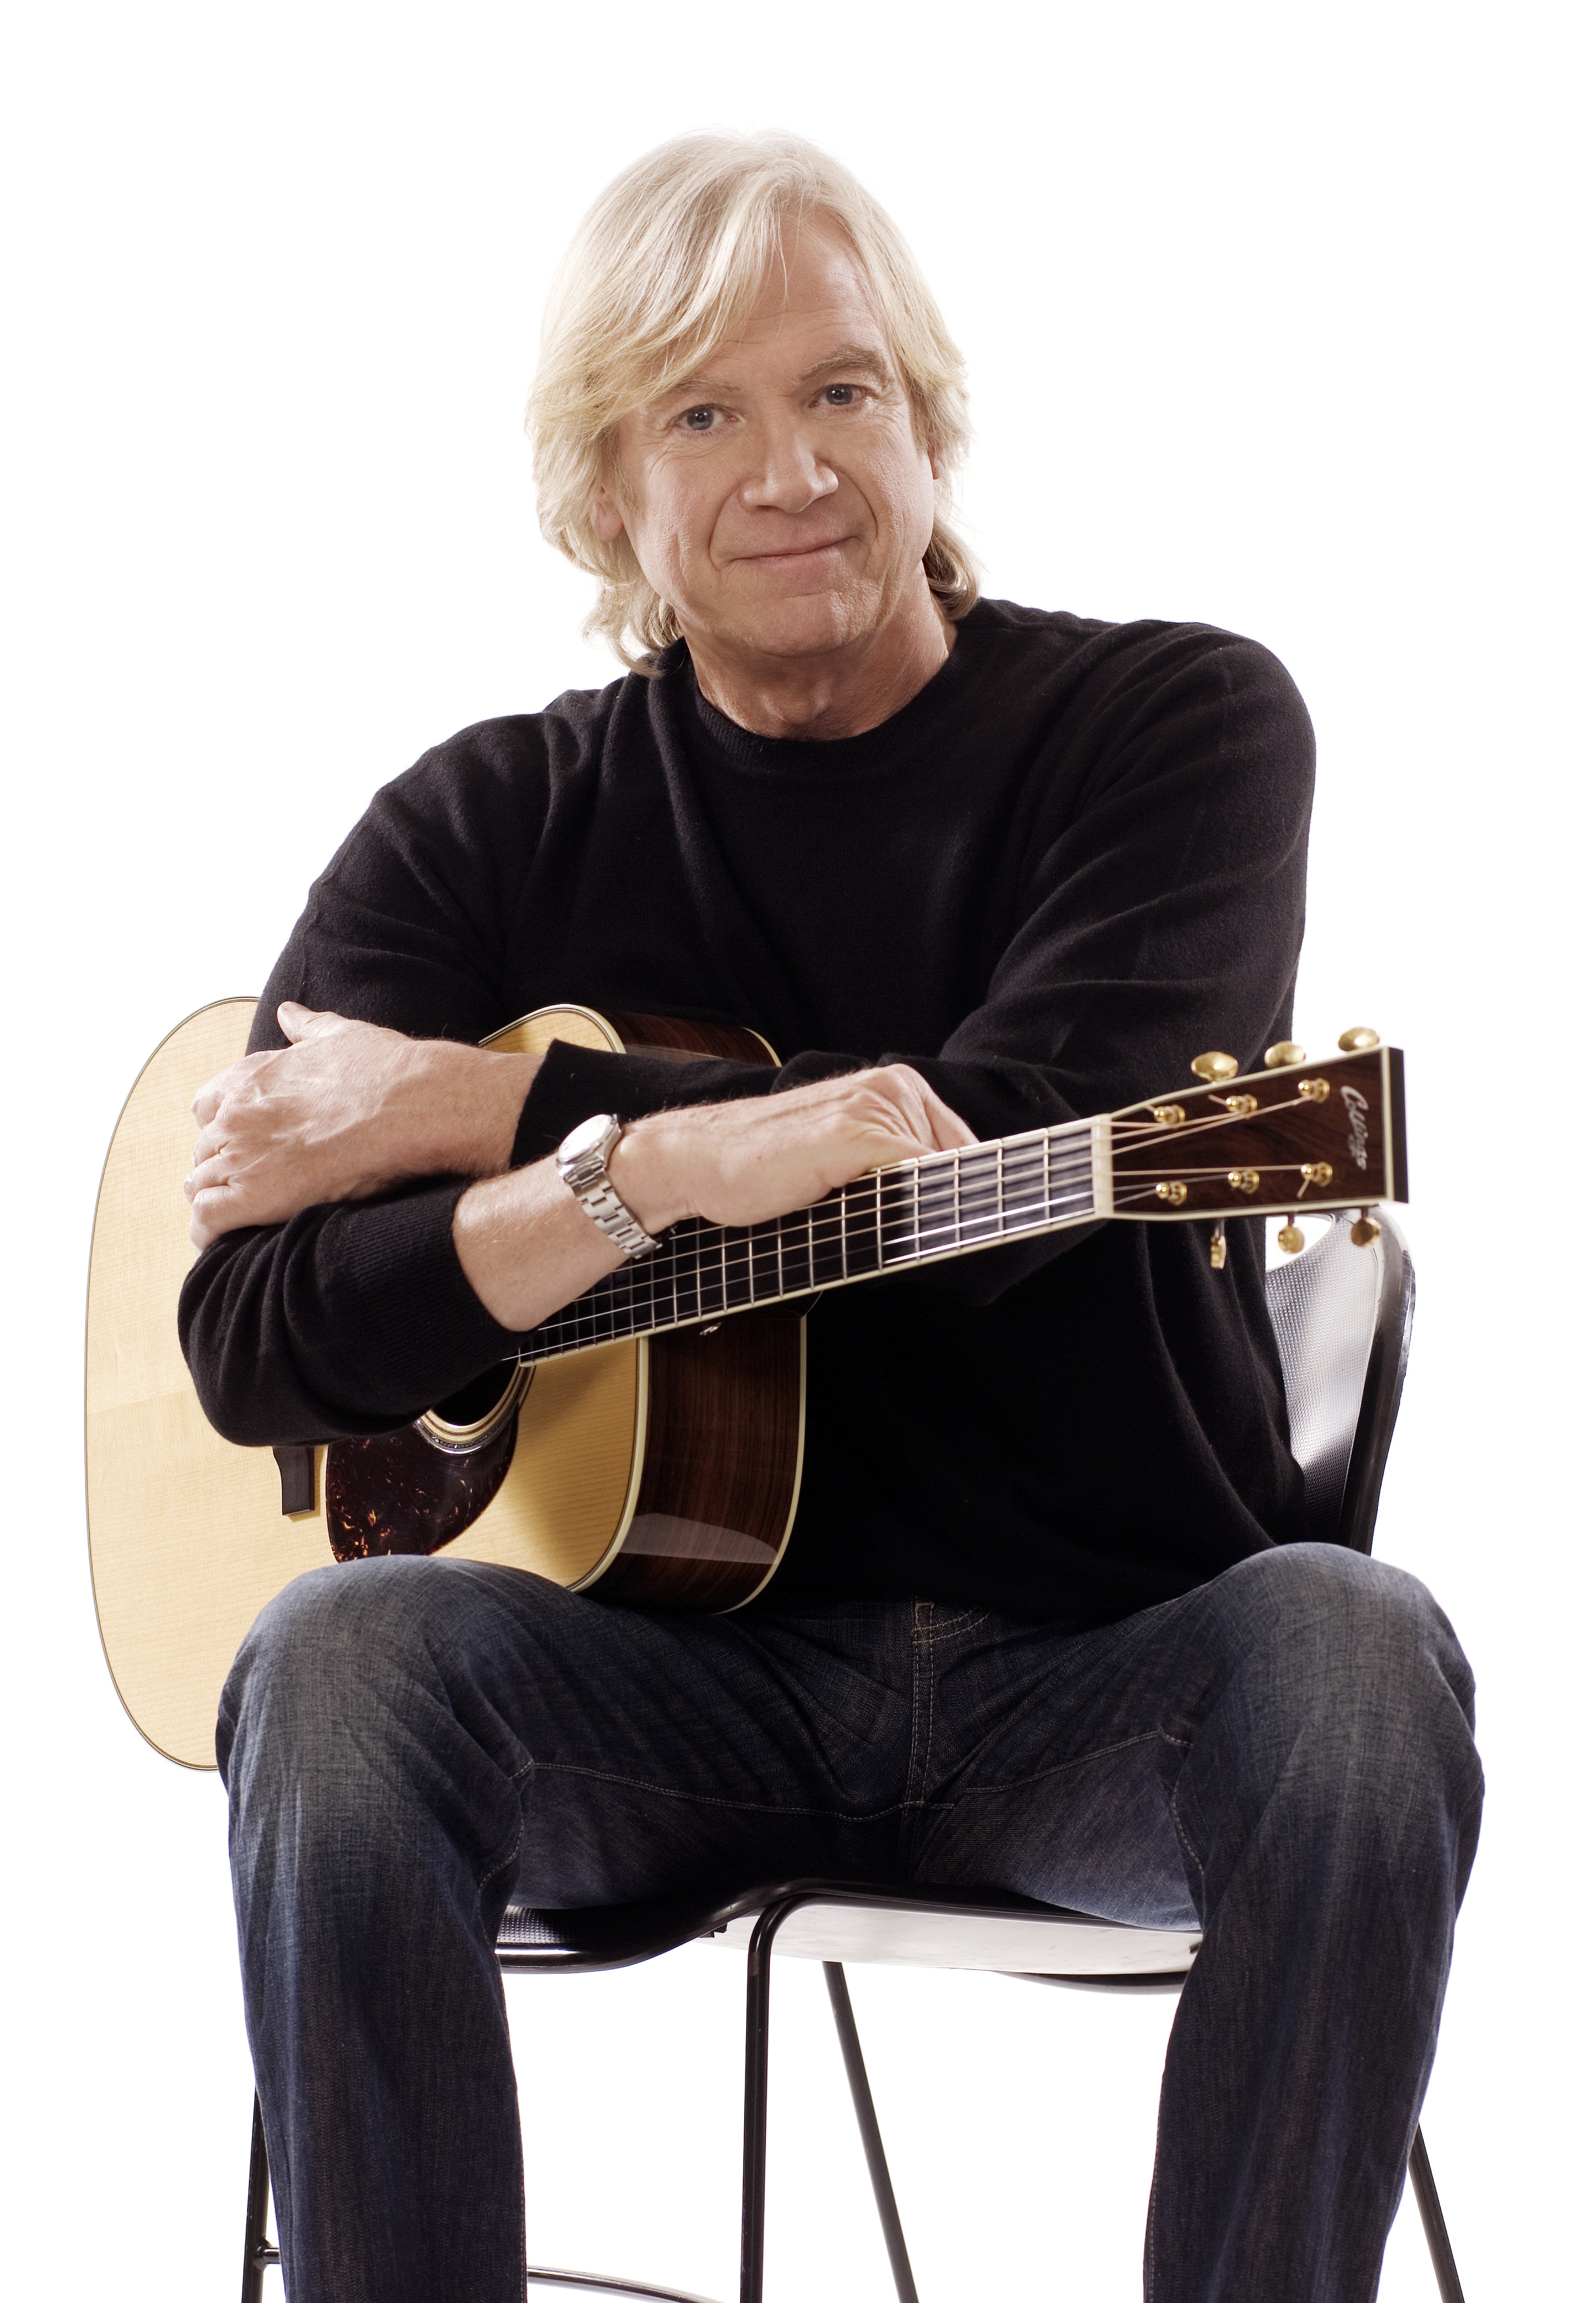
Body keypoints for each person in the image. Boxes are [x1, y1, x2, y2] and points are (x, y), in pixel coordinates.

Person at [179, 132, 1482, 2303]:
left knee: (1358, 1651)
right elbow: (252, 1335)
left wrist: (491, 1108)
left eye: (841, 391)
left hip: (1109, 1673)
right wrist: (630, 1176)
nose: (791, 469)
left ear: (928, 427)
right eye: (703, 412)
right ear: (605, 494)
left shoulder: (1169, 727)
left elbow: (1013, 1157)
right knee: (334, 1660)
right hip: (652, 1694)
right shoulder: (488, 819)